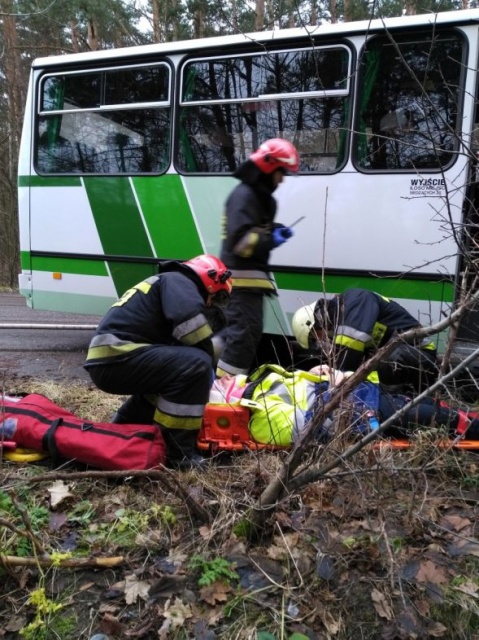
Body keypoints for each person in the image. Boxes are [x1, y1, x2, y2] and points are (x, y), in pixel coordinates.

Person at [84, 254, 232, 469]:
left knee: (178, 374)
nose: (209, 303)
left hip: (111, 356)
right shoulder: (180, 281)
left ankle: (124, 425)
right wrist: (207, 362)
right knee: (195, 365)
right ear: (210, 280)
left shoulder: (168, 282)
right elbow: (190, 324)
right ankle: (178, 454)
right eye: (215, 297)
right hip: (116, 354)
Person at [208, 364, 479, 447]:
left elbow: (301, 392)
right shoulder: (259, 417)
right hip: (359, 411)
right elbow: (310, 427)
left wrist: (318, 374)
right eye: (219, 383)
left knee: (434, 407)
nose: (224, 377)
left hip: (361, 393)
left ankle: (464, 418)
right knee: (439, 418)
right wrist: (336, 397)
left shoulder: (260, 383)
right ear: (224, 399)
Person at [215, 138, 300, 379]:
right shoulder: (245, 195)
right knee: (242, 337)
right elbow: (241, 243)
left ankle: (208, 374)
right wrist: (270, 237)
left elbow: (252, 229)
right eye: (281, 173)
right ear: (268, 168)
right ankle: (224, 388)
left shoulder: (258, 197)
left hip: (249, 284)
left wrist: (274, 229)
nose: (282, 180)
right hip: (240, 283)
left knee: (238, 335)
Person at [291, 288, 438, 392]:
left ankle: (393, 400)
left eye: (314, 337)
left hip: (421, 354)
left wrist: (339, 378)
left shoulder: (355, 300)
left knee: (389, 357)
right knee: (379, 361)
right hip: (403, 360)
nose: (320, 340)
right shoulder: (342, 317)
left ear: (315, 323)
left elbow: (350, 349)